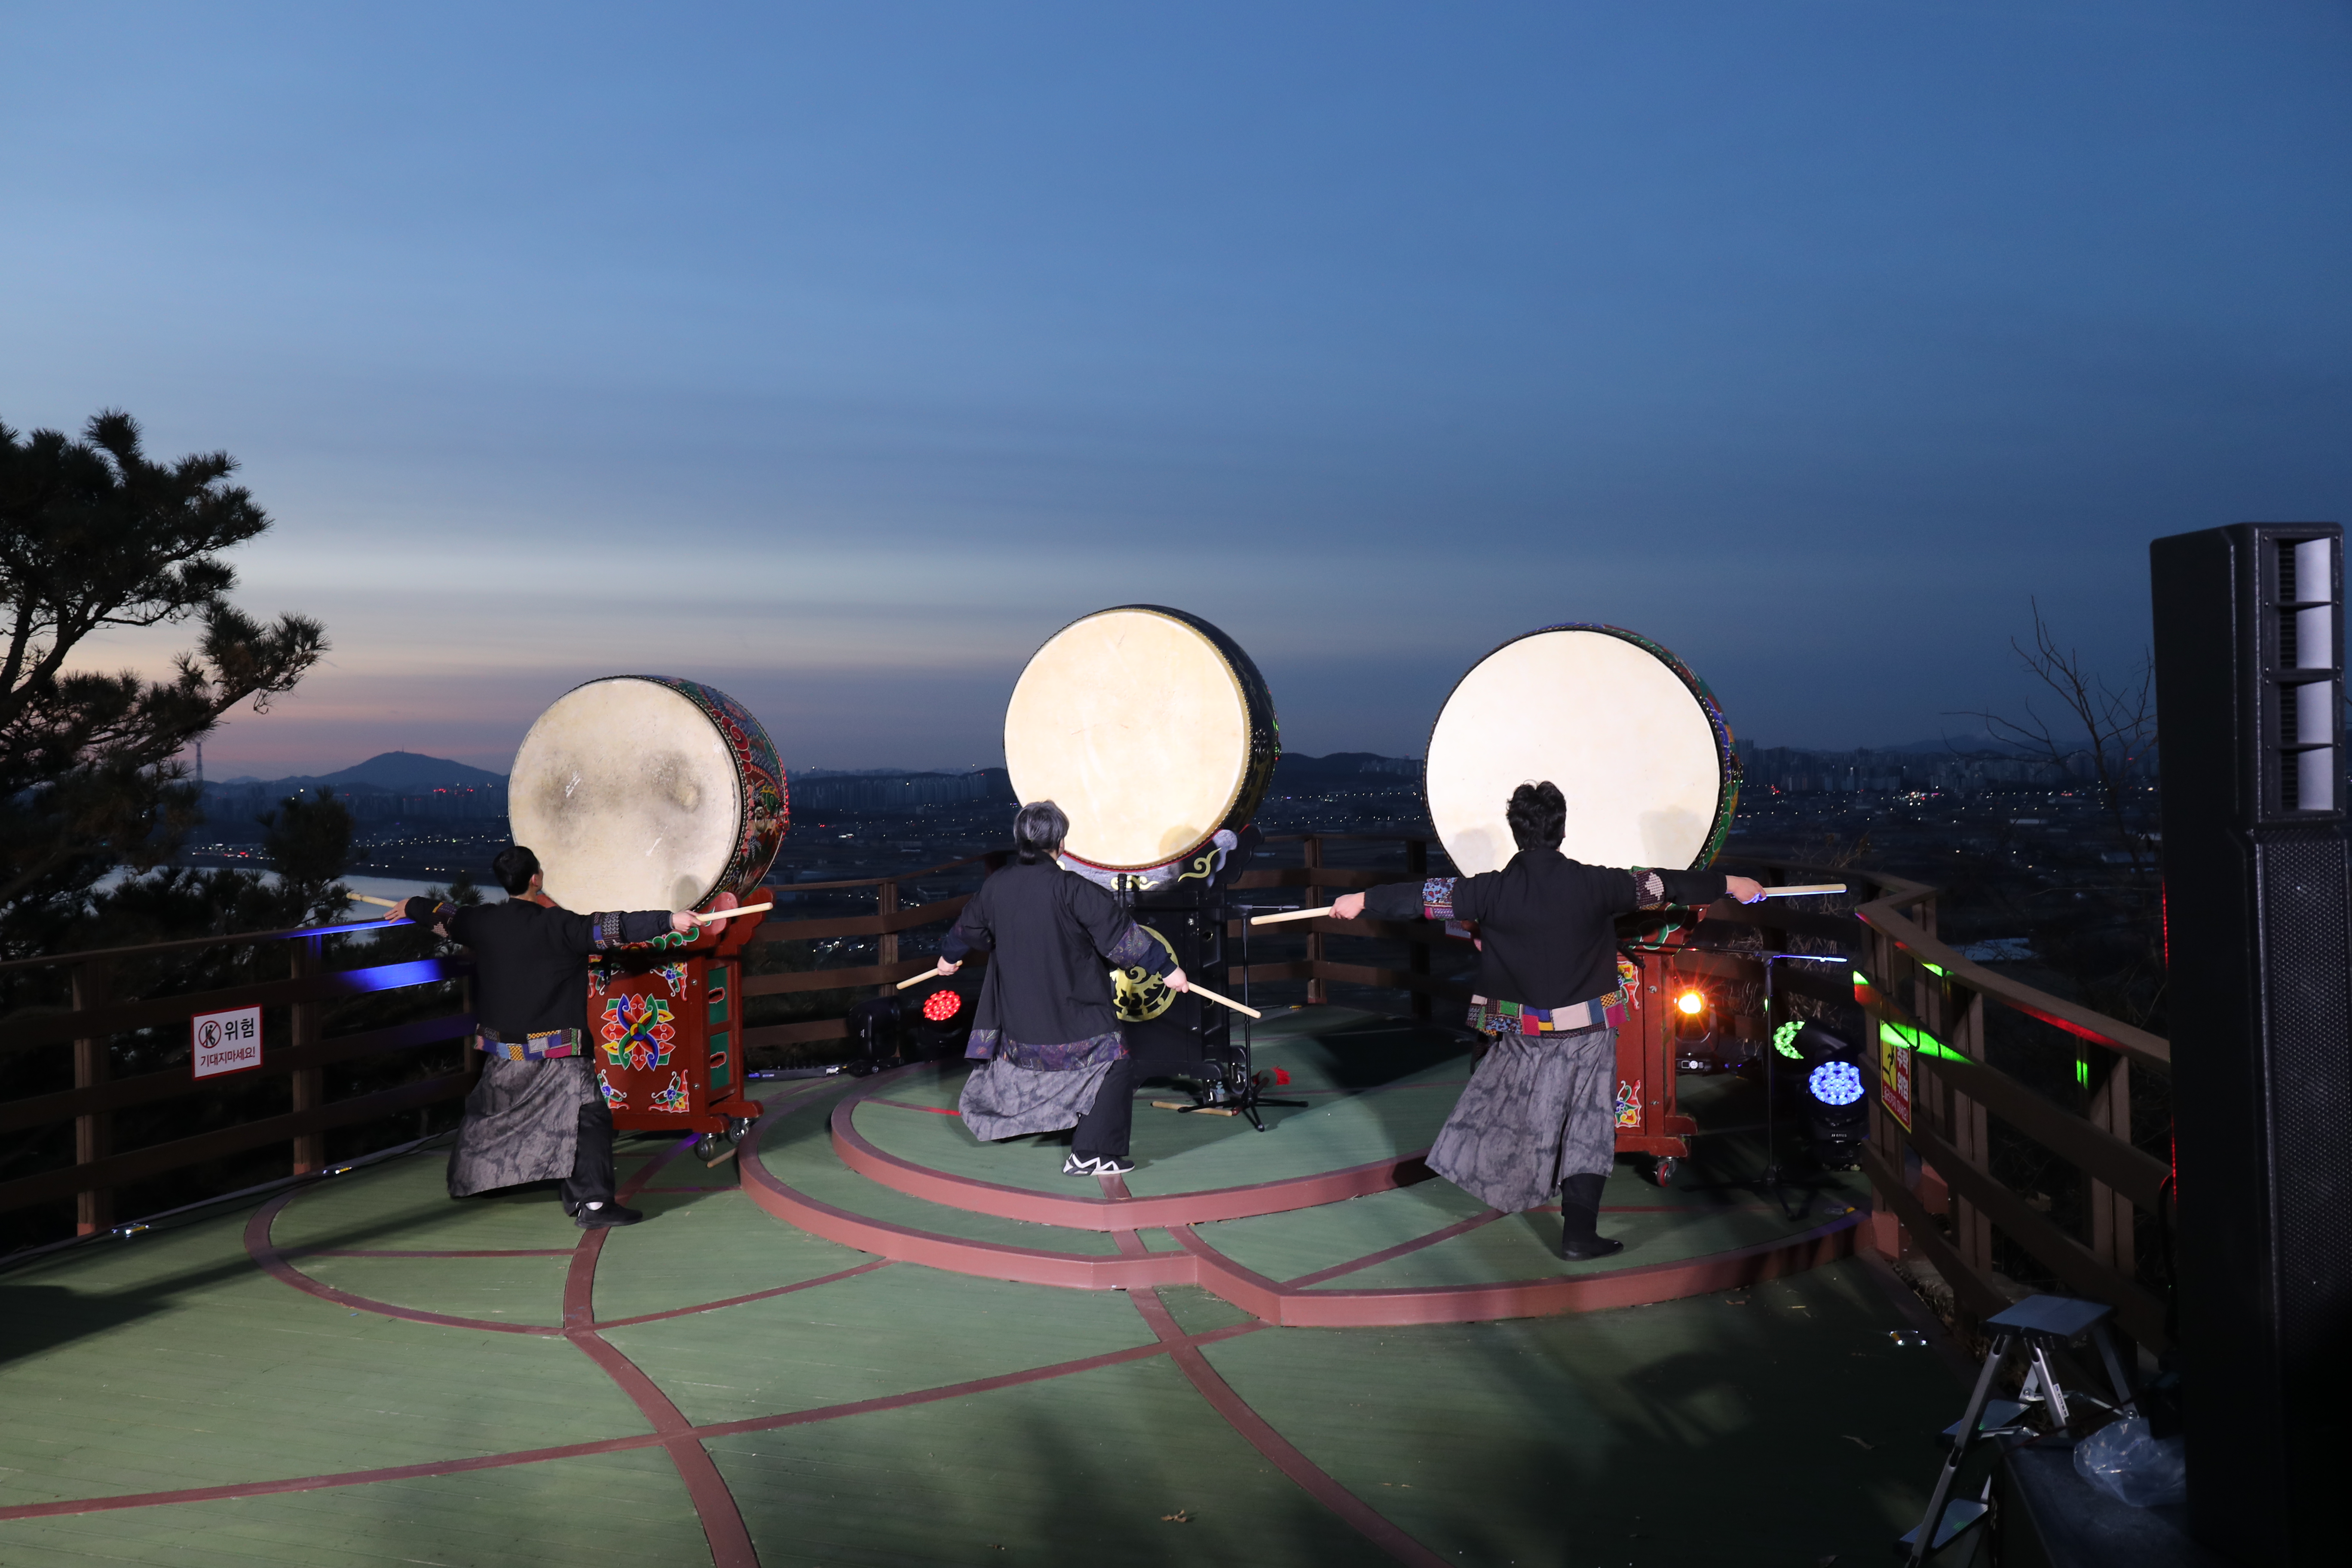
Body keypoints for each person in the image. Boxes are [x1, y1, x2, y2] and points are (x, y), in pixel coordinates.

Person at [1331, 781, 1764, 1260]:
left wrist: (1363, 900)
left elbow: (1422, 896)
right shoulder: (1599, 884)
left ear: (1516, 832)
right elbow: (1669, 883)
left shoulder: (1488, 891)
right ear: (1561, 829)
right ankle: (1578, 1234)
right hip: (1588, 1028)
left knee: (1513, 1112)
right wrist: (1731, 884)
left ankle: (1504, 1185)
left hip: (1522, 1030)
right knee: (1588, 1123)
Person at [392, 845, 704, 1228]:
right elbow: (615, 927)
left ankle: (482, 1179)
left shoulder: (482, 922)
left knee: (496, 1113)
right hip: (557, 1048)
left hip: (503, 1046)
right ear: (536, 879)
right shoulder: (559, 927)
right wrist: (670, 920)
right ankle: (593, 1205)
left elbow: (444, 916)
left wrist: (411, 905)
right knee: (588, 1117)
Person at [925, 800, 1189, 1176]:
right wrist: (1167, 970)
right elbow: (1120, 937)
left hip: (1018, 1030)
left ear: (1021, 842)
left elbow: (968, 930)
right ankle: (1093, 1154)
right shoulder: (1073, 890)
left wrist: (948, 958)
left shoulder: (997, 885)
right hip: (1071, 1018)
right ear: (1061, 843)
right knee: (1116, 1060)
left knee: (1083, 1060)